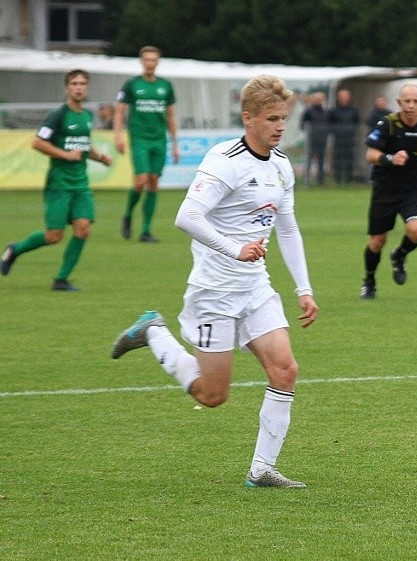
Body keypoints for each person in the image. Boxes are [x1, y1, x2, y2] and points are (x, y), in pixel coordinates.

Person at [110, 74, 319, 489]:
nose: (280, 126)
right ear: (248, 118)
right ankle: (154, 332)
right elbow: (186, 216)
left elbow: (288, 228)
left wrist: (304, 288)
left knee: (285, 370)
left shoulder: (280, 167)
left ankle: (262, 470)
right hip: (214, 293)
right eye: (272, 118)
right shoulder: (225, 160)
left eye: (284, 118)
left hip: (255, 288)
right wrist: (234, 248)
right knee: (211, 395)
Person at [1, 69, 112, 291]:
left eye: (82, 84)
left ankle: (61, 279)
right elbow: (37, 142)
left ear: (86, 88)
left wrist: (100, 157)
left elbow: (83, 144)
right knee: (54, 236)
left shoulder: (87, 116)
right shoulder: (58, 115)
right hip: (59, 184)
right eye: (74, 84)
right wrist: (65, 155)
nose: (78, 87)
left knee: (83, 229)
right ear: (67, 88)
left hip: (80, 184)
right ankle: (15, 250)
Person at [361, 84, 417, 299]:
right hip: (385, 189)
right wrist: (390, 158)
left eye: (415, 101)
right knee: (377, 241)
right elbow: (370, 154)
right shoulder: (388, 124)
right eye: (406, 101)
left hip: (413, 189)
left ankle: (399, 255)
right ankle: (369, 280)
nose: (410, 105)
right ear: (399, 103)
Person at [114, 45, 179, 243]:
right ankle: (128, 214)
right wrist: (118, 136)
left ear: (158, 62)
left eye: (153, 60)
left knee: (153, 182)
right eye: (147, 60)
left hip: (159, 139)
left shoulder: (165, 86)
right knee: (141, 180)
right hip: (139, 138)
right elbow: (119, 111)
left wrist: (175, 143)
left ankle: (146, 230)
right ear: (142, 62)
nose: (150, 63)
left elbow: (170, 116)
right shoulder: (131, 85)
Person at [328, 89, 360, 183]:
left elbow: (356, 122)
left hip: (350, 139)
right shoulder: (334, 111)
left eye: (345, 96)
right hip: (338, 139)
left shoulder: (353, 110)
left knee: (349, 158)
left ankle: (348, 179)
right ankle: (338, 179)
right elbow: (330, 123)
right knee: (338, 158)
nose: (344, 98)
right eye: (342, 96)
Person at [300, 91, 329, 185]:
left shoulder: (326, 111)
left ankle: (321, 181)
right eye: (317, 99)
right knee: (309, 159)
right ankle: (307, 179)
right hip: (311, 140)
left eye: (321, 99)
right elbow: (302, 124)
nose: (319, 101)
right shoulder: (309, 111)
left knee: (321, 160)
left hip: (322, 139)